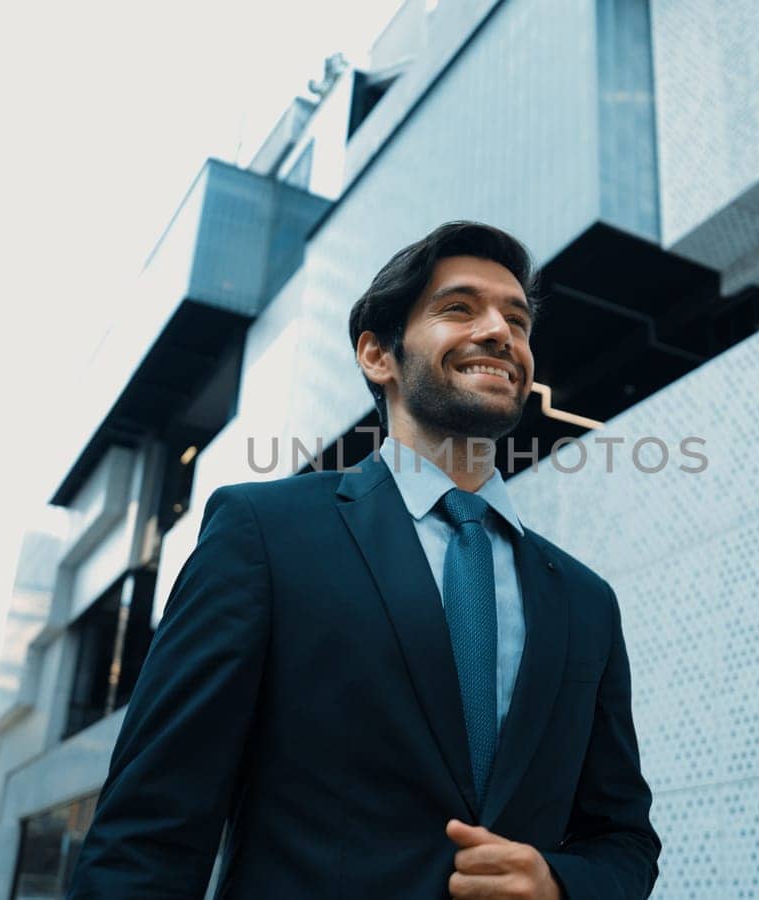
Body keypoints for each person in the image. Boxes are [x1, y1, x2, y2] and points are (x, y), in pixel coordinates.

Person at [67, 221, 659, 899]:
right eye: (459, 308)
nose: (501, 332)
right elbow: (150, 829)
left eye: (517, 319)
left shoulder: (585, 600)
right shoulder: (263, 536)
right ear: (379, 355)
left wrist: (558, 883)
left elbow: (623, 841)